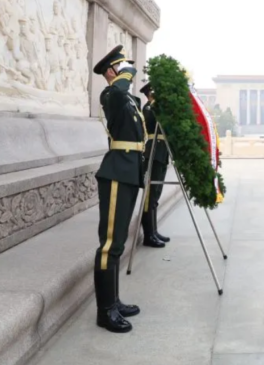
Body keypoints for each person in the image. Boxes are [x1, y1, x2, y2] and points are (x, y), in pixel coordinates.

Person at [92, 45, 144, 333]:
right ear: (112, 71)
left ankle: (114, 300)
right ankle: (105, 310)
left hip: (129, 171)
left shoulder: (128, 100)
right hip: (116, 172)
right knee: (109, 244)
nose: (129, 72)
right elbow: (119, 91)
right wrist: (124, 76)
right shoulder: (111, 94)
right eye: (123, 67)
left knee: (119, 242)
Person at [139, 79, 169, 248]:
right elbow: (157, 120)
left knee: (155, 195)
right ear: (151, 93)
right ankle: (148, 235)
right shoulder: (149, 108)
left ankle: (154, 231)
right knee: (149, 196)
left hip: (161, 153)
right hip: (153, 153)